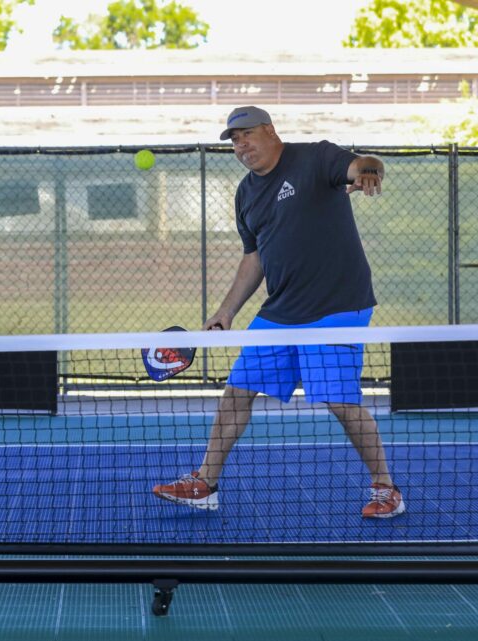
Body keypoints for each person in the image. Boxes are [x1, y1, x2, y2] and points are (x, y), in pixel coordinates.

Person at [152, 106, 403, 519]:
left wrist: (370, 171)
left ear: (269, 130)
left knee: (340, 401)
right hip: (281, 310)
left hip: (337, 306)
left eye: (247, 135)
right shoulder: (246, 194)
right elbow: (254, 258)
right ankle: (205, 484)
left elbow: (363, 163)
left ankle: (386, 488)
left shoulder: (315, 158)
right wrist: (226, 312)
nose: (241, 145)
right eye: (234, 140)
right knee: (237, 393)